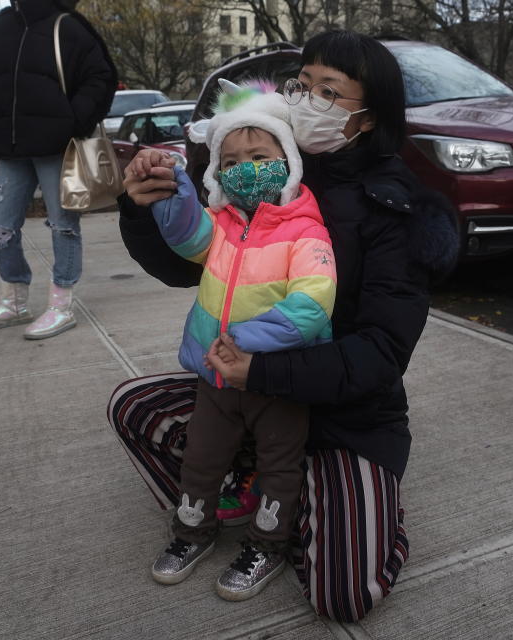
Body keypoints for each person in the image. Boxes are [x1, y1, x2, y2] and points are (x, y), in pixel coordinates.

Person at [108, 31, 459, 621]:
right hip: (245, 396)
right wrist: (144, 205)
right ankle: (257, 483)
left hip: (346, 416)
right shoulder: (264, 169)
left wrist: (264, 368)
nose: (306, 98)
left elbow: (380, 353)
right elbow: (188, 260)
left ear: (369, 117)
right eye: (303, 83)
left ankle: (332, 502)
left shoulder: (394, 206)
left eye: (330, 90)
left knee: (344, 594)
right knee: (135, 407)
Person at [146, 81, 337, 601]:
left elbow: (312, 306)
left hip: (278, 378)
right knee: (202, 459)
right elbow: (186, 236)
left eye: (260, 155)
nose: (246, 167)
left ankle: (267, 544)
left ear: (288, 159)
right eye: (230, 160)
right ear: (217, 172)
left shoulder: (306, 234)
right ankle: (192, 532)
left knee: (280, 464)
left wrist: (244, 342)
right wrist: (176, 187)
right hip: (216, 375)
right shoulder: (222, 225)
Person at [0, 0, 117, 338]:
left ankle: (61, 304)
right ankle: (15, 300)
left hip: (56, 146)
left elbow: (101, 76)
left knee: (63, 225)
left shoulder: (67, 25)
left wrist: (72, 121)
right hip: (11, 147)